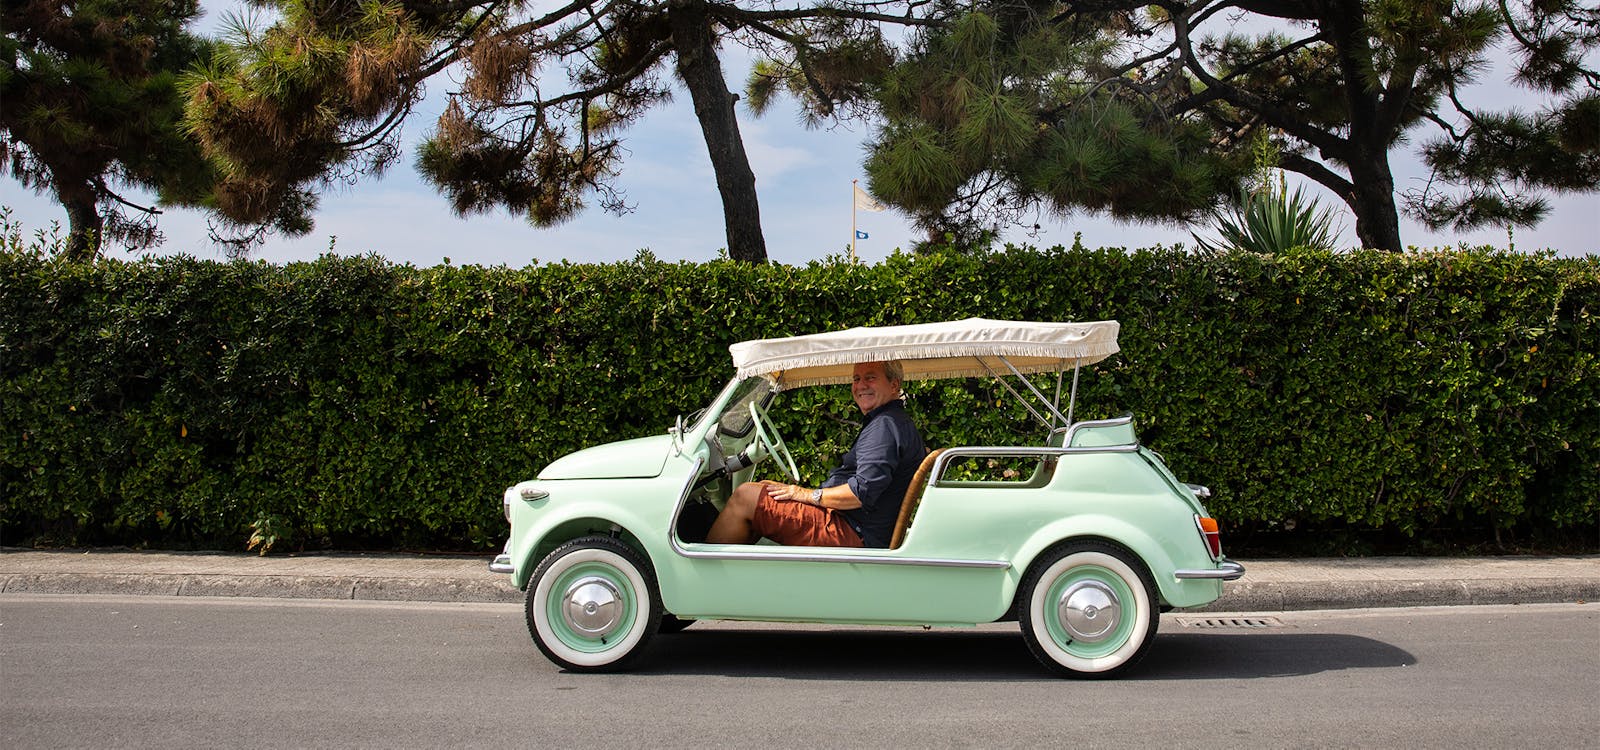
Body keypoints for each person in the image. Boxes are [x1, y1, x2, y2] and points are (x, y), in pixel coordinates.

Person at [705, 360, 926, 548]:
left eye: (870, 378)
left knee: (745, 497)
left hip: (853, 532)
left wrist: (806, 494)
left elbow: (860, 494)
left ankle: (704, 581)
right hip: (855, 525)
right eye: (856, 379)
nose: (860, 386)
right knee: (763, 490)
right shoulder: (889, 421)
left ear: (894, 384)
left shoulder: (885, 426)